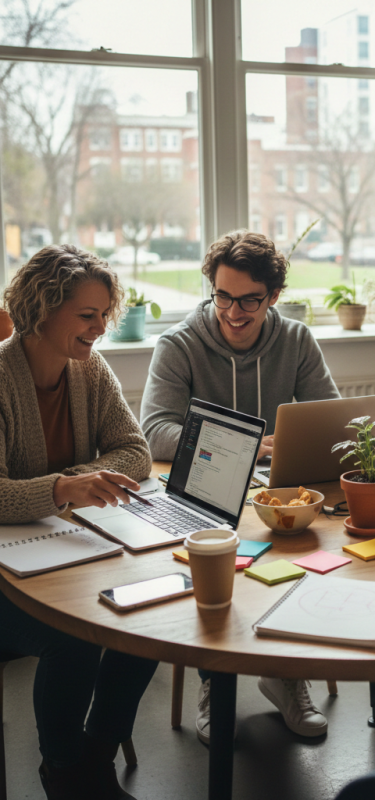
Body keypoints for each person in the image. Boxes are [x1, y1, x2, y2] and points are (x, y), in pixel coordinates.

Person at [140, 230, 340, 745]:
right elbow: (154, 432)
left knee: (316, 549)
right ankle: (216, 682)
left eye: (249, 300)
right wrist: (245, 446)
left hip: (276, 496)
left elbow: (329, 419)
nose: (233, 311)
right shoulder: (179, 345)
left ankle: (286, 676)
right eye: (223, 296)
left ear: (273, 297)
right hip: (206, 496)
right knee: (216, 560)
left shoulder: (295, 340)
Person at [0, 244, 158, 799]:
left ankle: (96, 754)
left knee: (147, 618)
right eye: (87, 316)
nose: (100, 329)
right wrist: (66, 489)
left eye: (104, 315)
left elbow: (134, 452)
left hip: (65, 551)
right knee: (74, 640)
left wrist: (72, 485)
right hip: (5, 575)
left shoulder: (89, 370)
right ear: (43, 310)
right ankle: (64, 769)